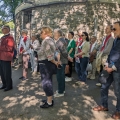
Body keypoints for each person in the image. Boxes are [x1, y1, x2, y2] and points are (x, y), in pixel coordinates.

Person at [93, 21, 120, 119]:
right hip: (110, 68)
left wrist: (112, 67)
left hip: (117, 69)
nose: (113, 31)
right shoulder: (116, 39)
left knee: (118, 92)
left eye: (114, 29)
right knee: (104, 86)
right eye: (112, 29)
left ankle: (118, 111)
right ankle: (104, 105)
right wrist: (107, 63)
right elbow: (112, 53)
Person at [37, 27, 58, 108]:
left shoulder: (46, 41)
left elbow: (49, 55)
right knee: (48, 82)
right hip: (47, 63)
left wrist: (55, 62)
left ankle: (49, 102)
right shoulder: (49, 40)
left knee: (46, 83)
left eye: (41, 33)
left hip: (46, 64)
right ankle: (49, 99)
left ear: (45, 33)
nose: (40, 34)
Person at [53, 29, 68, 97]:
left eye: (55, 33)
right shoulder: (61, 40)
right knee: (61, 77)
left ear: (58, 34)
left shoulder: (60, 41)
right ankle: (62, 90)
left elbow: (64, 52)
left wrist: (68, 57)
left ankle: (61, 92)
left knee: (60, 77)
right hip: (61, 61)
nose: (53, 34)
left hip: (61, 61)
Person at [0, 25, 14, 91]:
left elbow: (10, 48)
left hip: (6, 57)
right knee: (2, 73)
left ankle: (9, 86)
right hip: (1, 57)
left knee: (7, 73)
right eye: (2, 28)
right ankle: (4, 84)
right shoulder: (2, 37)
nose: (3, 29)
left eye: (5, 28)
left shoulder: (10, 37)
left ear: (8, 30)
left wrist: (0, 47)